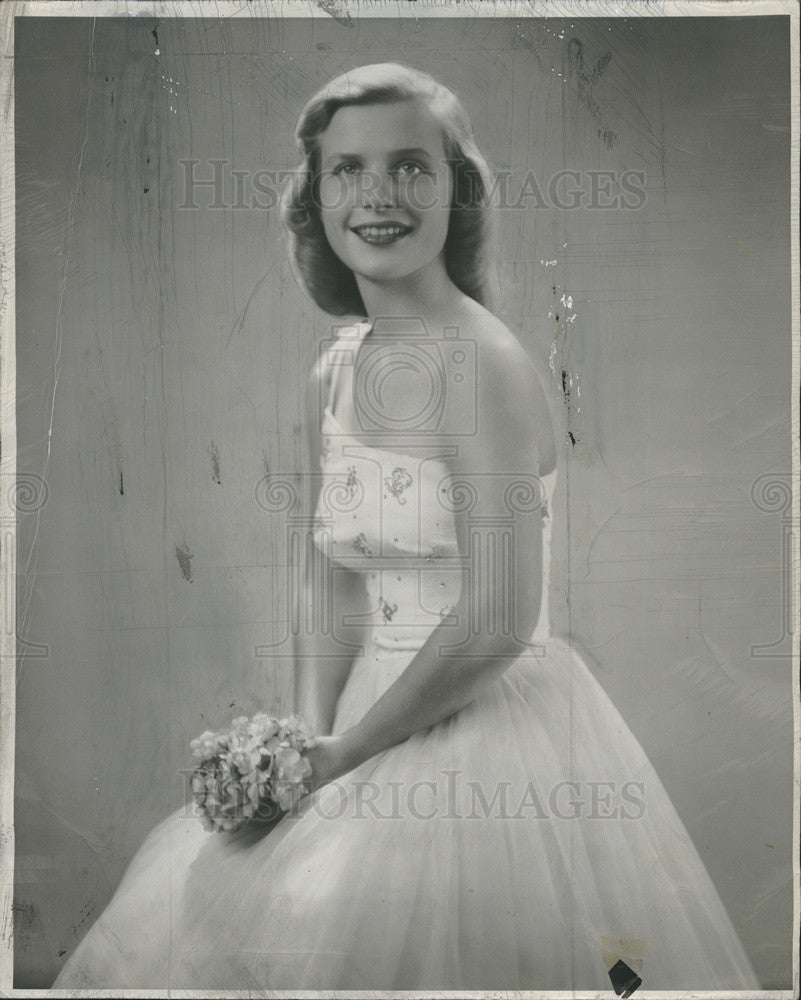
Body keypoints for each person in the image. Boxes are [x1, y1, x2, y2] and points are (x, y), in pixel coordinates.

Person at [52, 62, 760, 991]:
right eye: (345, 170)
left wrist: (344, 755)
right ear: (314, 197)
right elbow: (334, 575)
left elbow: (500, 617)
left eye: (409, 168)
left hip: (488, 723)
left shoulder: (481, 363)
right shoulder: (338, 370)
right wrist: (301, 746)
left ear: (456, 191)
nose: (375, 197)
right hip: (359, 725)